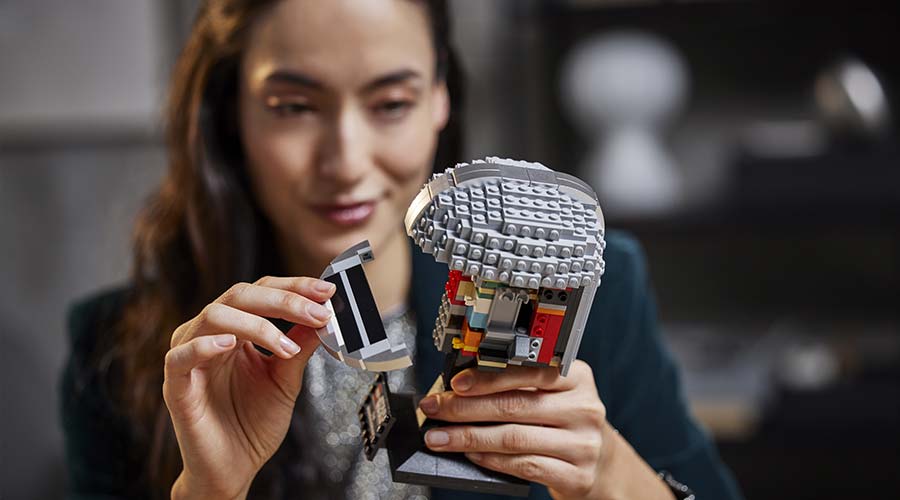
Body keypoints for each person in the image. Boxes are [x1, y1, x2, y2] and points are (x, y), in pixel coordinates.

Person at [60, 0, 743, 499]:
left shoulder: (593, 289)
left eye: (390, 103)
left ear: (440, 99)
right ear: (230, 114)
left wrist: (609, 476)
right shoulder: (127, 348)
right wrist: (209, 490)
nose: (346, 161)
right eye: (294, 106)